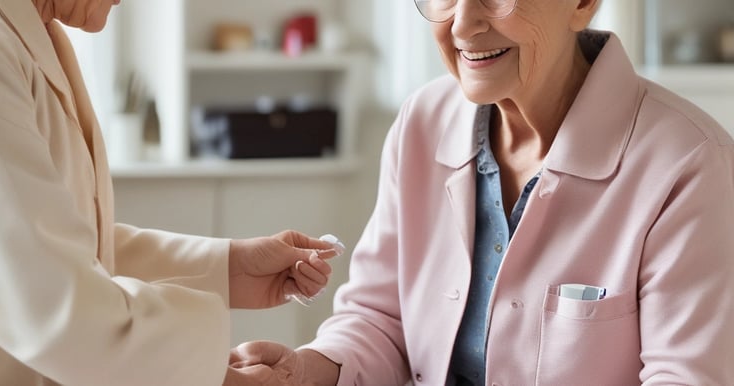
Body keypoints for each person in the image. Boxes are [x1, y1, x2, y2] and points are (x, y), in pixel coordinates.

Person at [226, 0, 734, 384]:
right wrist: (305, 371)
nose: (463, 25)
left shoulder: (689, 165)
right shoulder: (421, 123)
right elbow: (380, 318)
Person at [0, 0, 344, 384]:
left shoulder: (32, 36)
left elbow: (63, 241)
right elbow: (48, 302)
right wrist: (214, 377)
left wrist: (231, 268)